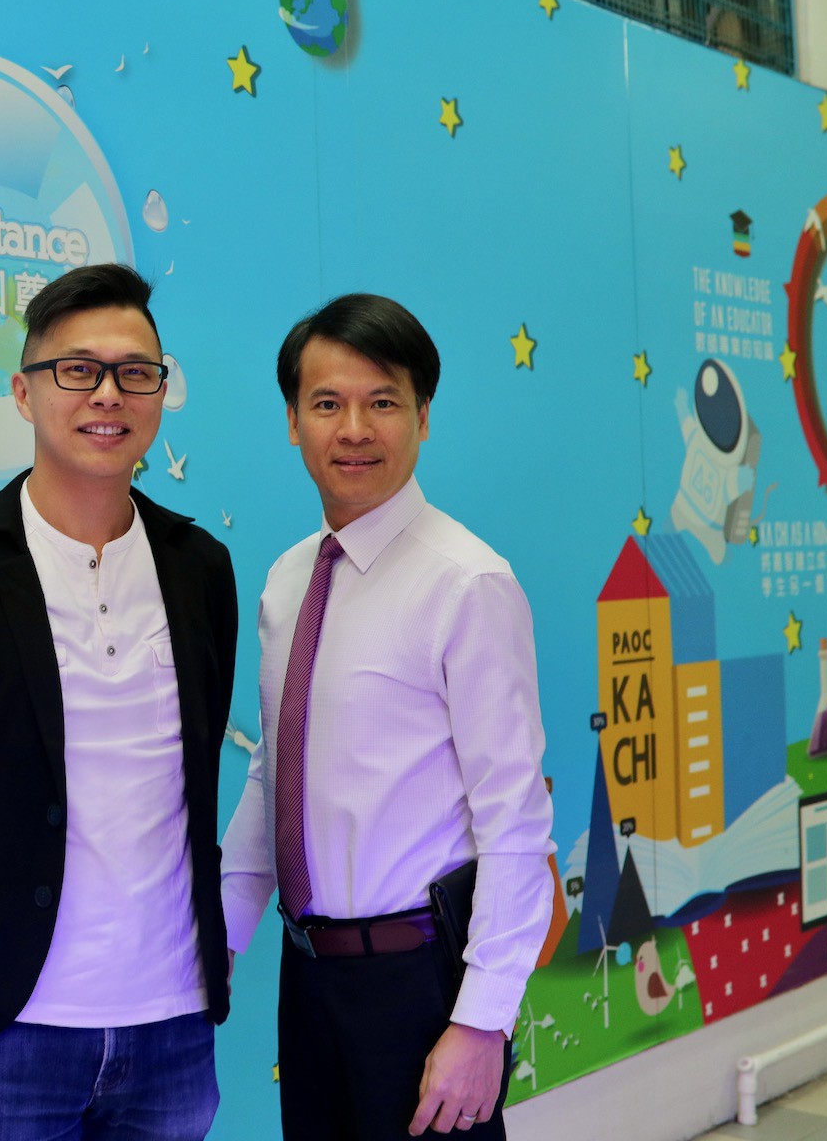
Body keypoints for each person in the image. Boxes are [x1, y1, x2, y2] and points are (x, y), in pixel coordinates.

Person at [0, 263, 239, 1140]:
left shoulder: (198, 568)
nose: (108, 394)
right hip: (10, 1025)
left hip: (174, 1020)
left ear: (159, 393)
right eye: (78, 370)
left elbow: (199, 768)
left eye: (134, 372)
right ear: (24, 392)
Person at [220, 294, 555, 1139]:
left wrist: (482, 1022)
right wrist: (218, 939)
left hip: (422, 984)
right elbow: (274, 772)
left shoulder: (466, 583)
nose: (354, 430)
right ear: (292, 422)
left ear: (424, 417)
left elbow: (515, 820)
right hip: (308, 977)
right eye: (327, 404)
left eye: (383, 402)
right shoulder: (288, 580)